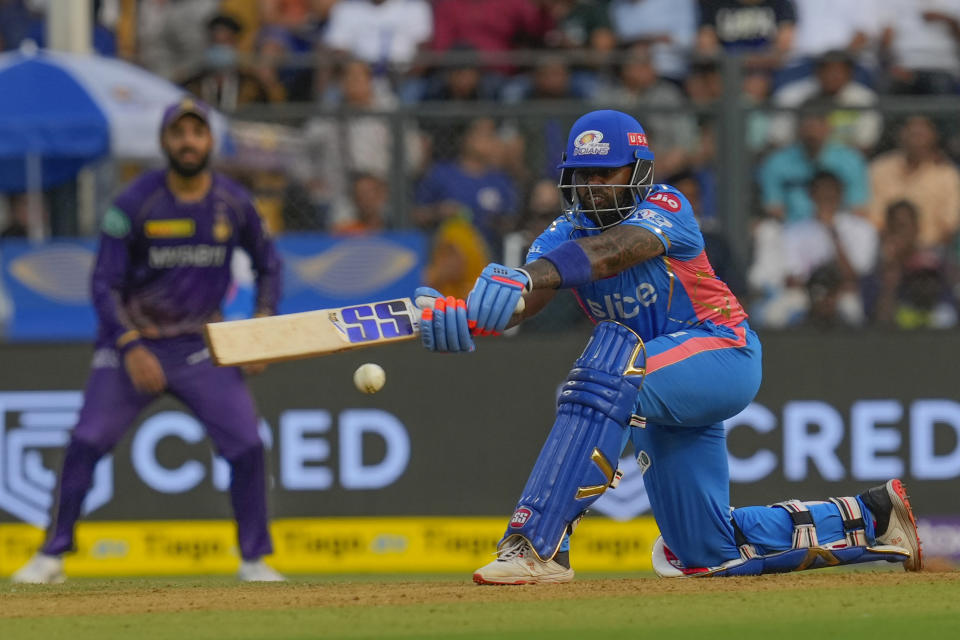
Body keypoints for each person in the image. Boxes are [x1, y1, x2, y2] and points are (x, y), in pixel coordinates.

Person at [414, 109, 922, 583]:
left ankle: (536, 545)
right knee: (705, 551)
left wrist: (521, 276)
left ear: (636, 172)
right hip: (652, 388)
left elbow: (609, 254)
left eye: (605, 174)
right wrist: (470, 318)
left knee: (605, 370)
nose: (592, 187)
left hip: (721, 351)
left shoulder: (667, 206)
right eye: (583, 176)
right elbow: (529, 302)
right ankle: (875, 518)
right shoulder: (560, 234)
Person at [11, 98, 284, 584]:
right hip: (133, 347)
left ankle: (254, 559)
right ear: (164, 142)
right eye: (178, 133)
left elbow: (270, 265)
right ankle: (52, 554)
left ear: (210, 142)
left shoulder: (234, 203)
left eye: (196, 133)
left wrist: (263, 324)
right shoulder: (134, 203)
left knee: (246, 444)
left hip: (201, 348)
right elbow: (103, 284)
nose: (188, 142)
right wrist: (131, 345)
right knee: (86, 441)